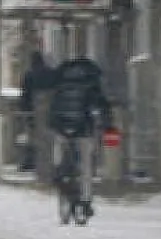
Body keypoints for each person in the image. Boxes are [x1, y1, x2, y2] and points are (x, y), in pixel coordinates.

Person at [47, 56, 113, 223]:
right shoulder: (91, 83)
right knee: (85, 165)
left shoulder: (60, 81)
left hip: (61, 127)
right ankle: (85, 200)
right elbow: (99, 105)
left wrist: (53, 124)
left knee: (60, 156)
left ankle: (59, 177)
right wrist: (107, 123)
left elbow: (52, 105)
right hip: (83, 128)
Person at [17, 52, 56, 172]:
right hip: (50, 113)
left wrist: (24, 111)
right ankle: (47, 163)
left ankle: (31, 162)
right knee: (47, 139)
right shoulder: (51, 74)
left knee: (32, 139)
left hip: (32, 112)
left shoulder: (29, 75)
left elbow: (24, 95)